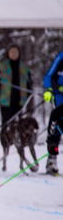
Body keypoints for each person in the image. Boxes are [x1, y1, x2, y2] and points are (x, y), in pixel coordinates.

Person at [0, 43, 33, 127]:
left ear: (19, 53)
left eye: (15, 52)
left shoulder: (24, 67)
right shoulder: (2, 66)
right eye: (11, 52)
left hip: (21, 102)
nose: (13, 54)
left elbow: (29, 84)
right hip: (6, 102)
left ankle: (18, 140)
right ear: (8, 53)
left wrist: (30, 101)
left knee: (20, 126)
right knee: (7, 125)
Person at [42, 45, 63, 175]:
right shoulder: (61, 57)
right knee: (58, 123)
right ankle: (52, 159)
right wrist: (49, 89)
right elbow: (48, 76)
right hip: (59, 95)